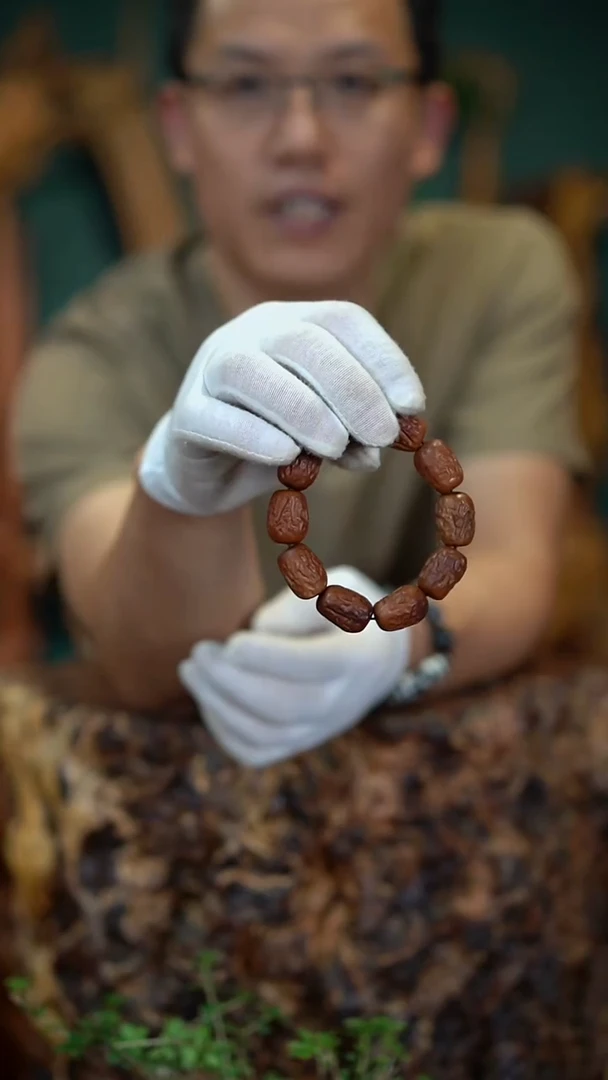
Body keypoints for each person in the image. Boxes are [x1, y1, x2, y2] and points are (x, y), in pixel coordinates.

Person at [14, 0, 587, 767]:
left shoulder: (505, 274)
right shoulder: (82, 359)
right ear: (179, 128)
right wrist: (179, 490)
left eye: (353, 82)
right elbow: (143, 662)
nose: (301, 139)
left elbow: (517, 561)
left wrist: (403, 642)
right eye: (248, 85)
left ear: (428, 127)